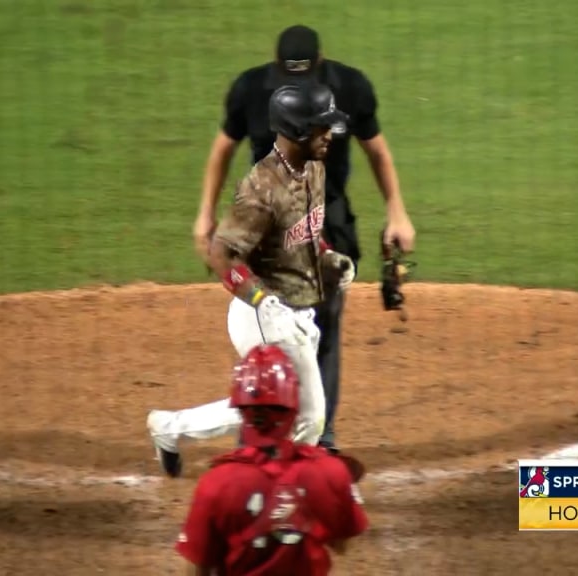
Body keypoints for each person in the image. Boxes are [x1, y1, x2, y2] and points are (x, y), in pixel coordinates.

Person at [192, 24, 417, 453]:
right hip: (267, 230)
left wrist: (396, 212)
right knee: (269, 338)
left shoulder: (347, 90)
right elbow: (223, 150)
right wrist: (207, 217)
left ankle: (319, 440)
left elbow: (377, 150)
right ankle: (251, 437)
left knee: (323, 329)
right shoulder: (252, 91)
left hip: (323, 219)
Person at [146, 81, 356, 477]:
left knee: (269, 406)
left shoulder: (314, 169)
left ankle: (168, 428)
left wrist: (329, 257)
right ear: (296, 130)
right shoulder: (261, 190)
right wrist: (263, 301)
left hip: (296, 310)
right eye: (321, 127)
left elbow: (304, 234)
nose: (330, 135)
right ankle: (289, 494)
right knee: (309, 417)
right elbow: (221, 254)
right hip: (262, 312)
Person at [174, 344, 369, 575]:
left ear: (240, 409)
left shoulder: (215, 484)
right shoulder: (330, 472)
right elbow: (342, 543)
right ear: (294, 406)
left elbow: (195, 570)